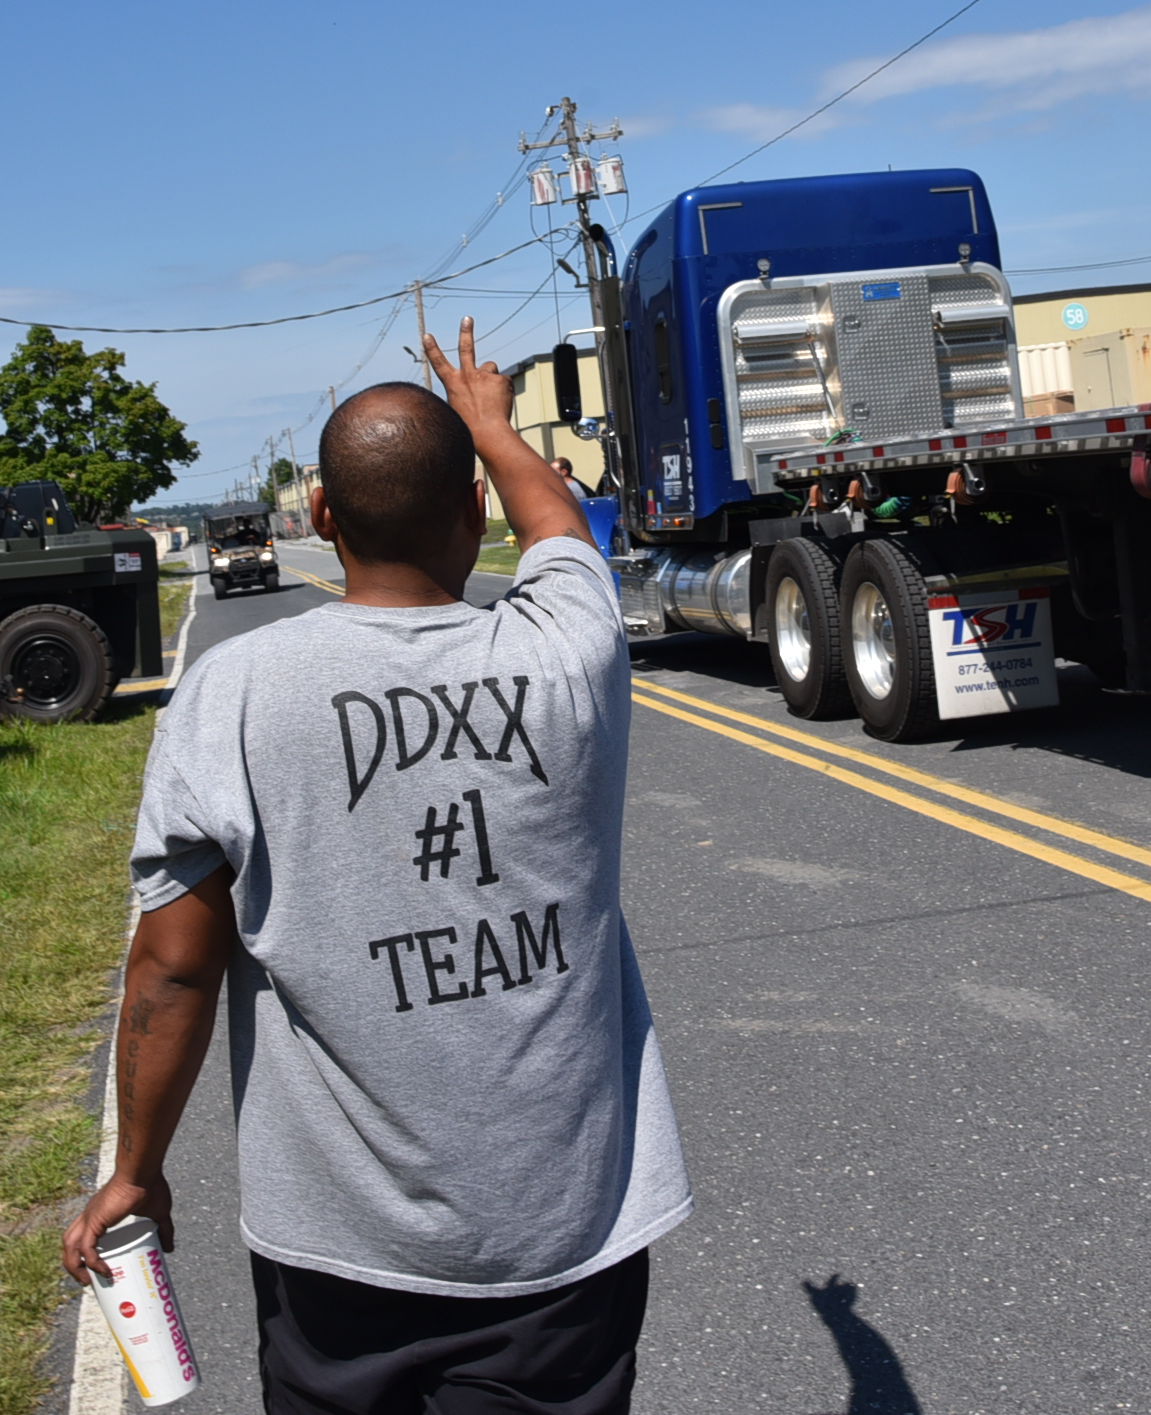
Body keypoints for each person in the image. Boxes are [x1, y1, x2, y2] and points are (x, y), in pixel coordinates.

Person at [64, 318, 688, 1414]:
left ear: (319, 518)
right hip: (561, 1239)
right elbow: (562, 530)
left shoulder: (236, 693)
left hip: (335, 1255)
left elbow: (171, 970)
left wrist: (137, 1167)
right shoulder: (568, 651)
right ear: (474, 510)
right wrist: (491, 427)